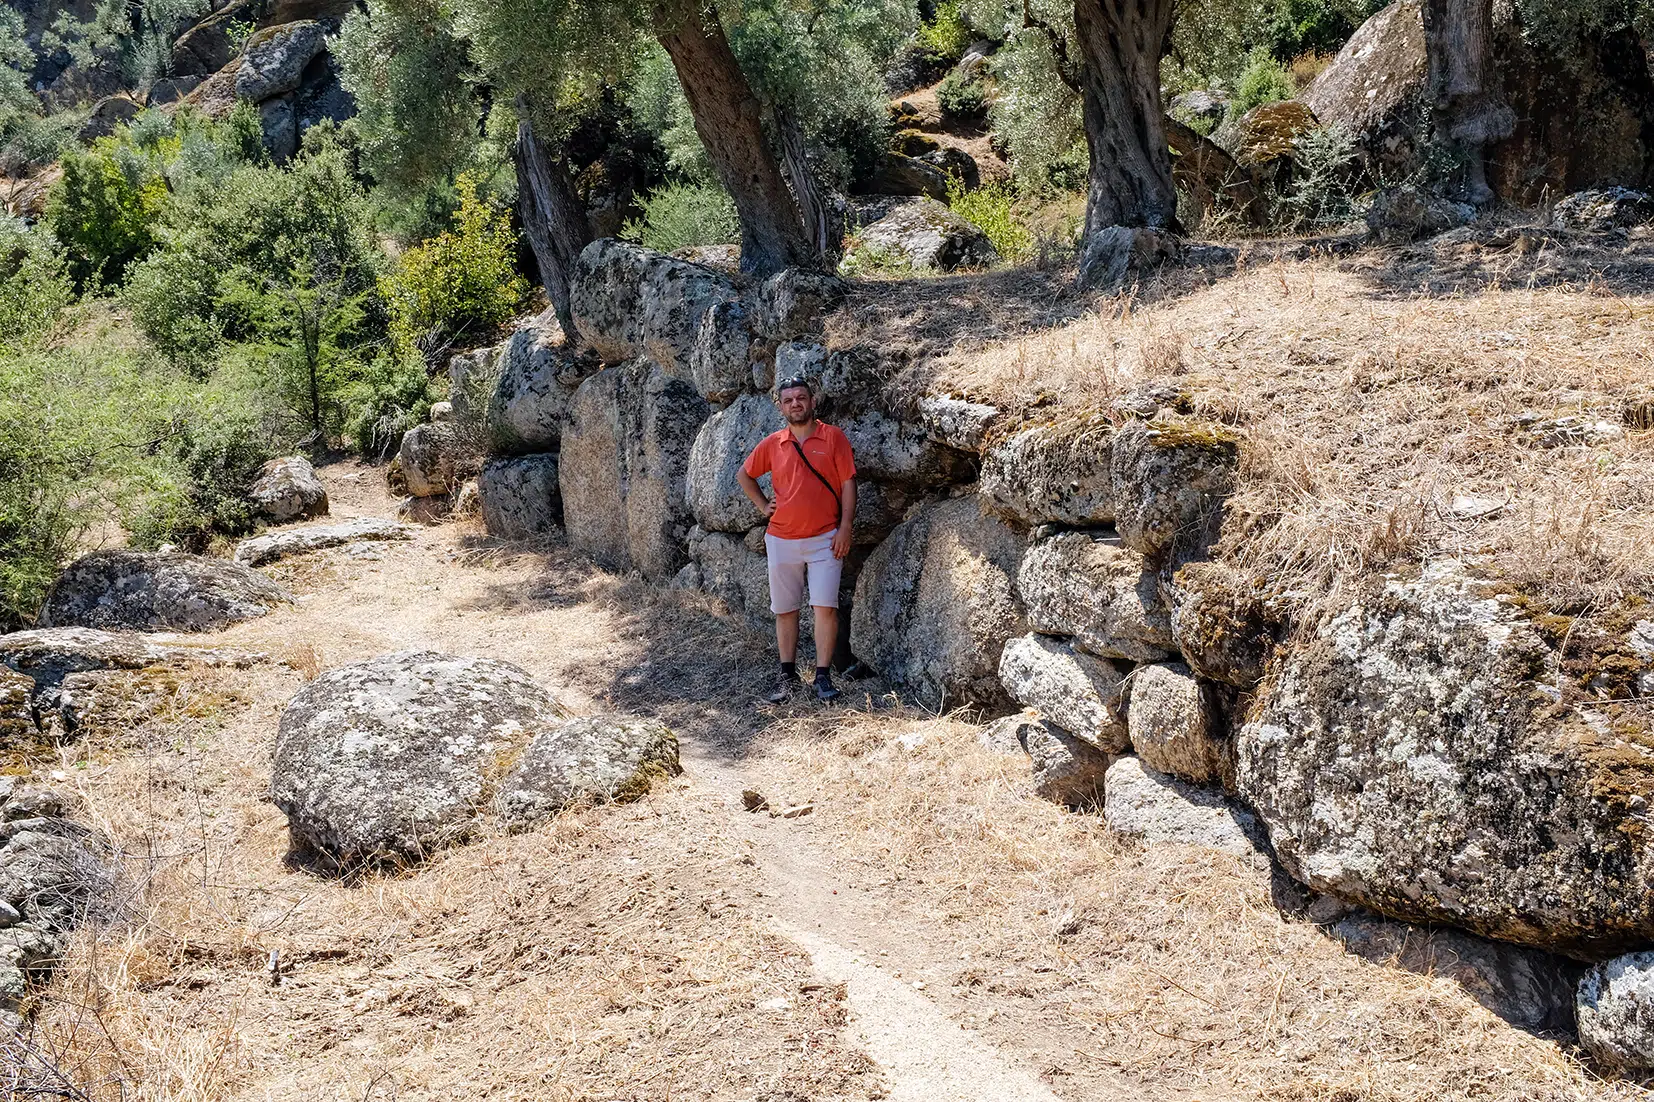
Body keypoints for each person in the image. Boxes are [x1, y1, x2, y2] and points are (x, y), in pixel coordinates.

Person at [736, 375, 857, 703]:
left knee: (825, 607)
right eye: (788, 400)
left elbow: (848, 483)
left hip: (825, 539)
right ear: (781, 406)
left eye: (801, 398)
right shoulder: (773, 443)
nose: (795, 404)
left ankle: (822, 677)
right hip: (782, 539)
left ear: (812, 401)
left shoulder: (833, 437)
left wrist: (845, 527)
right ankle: (787, 676)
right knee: (785, 609)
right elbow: (744, 474)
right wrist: (764, 505)